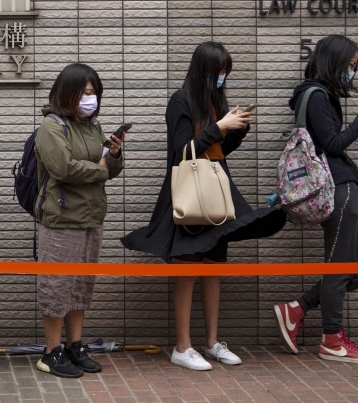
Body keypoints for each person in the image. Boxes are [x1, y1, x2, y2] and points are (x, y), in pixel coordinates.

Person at [122, 41, 285, 371]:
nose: (222, 78)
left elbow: (219, 150)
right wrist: (218, 127)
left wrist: (236, 128)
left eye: (226, 72)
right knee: (187, 270)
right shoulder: (180, 100)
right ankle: (182, 346)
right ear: (203, 71)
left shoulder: (214, 102)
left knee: (214, 267)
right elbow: (181, 152)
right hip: (189, 196)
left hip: (216, 192)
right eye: (218, 72)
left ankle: (212, 342)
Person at [272, 35, 358, 364]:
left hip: (340, 187)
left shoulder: (312, 96)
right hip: (337, 188)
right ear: (335, 62)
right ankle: (332, 340)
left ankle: (298, 309)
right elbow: (334, 144)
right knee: (339, 268)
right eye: (350, 65)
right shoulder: (318, 97)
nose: (352, 71)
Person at [33, 63, 124, 378]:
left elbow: (107, 170)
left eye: (94, 93)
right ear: (67, 93)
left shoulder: (94, 127)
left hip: (90, 217)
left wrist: (113, 155)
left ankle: (75, 346)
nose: (91, 99)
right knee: (57, 286)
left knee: (81, 286)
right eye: (85, 93)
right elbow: (64, 168)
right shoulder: (52, 126)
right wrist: (100, 167)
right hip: (61, 218)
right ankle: (51, 352)